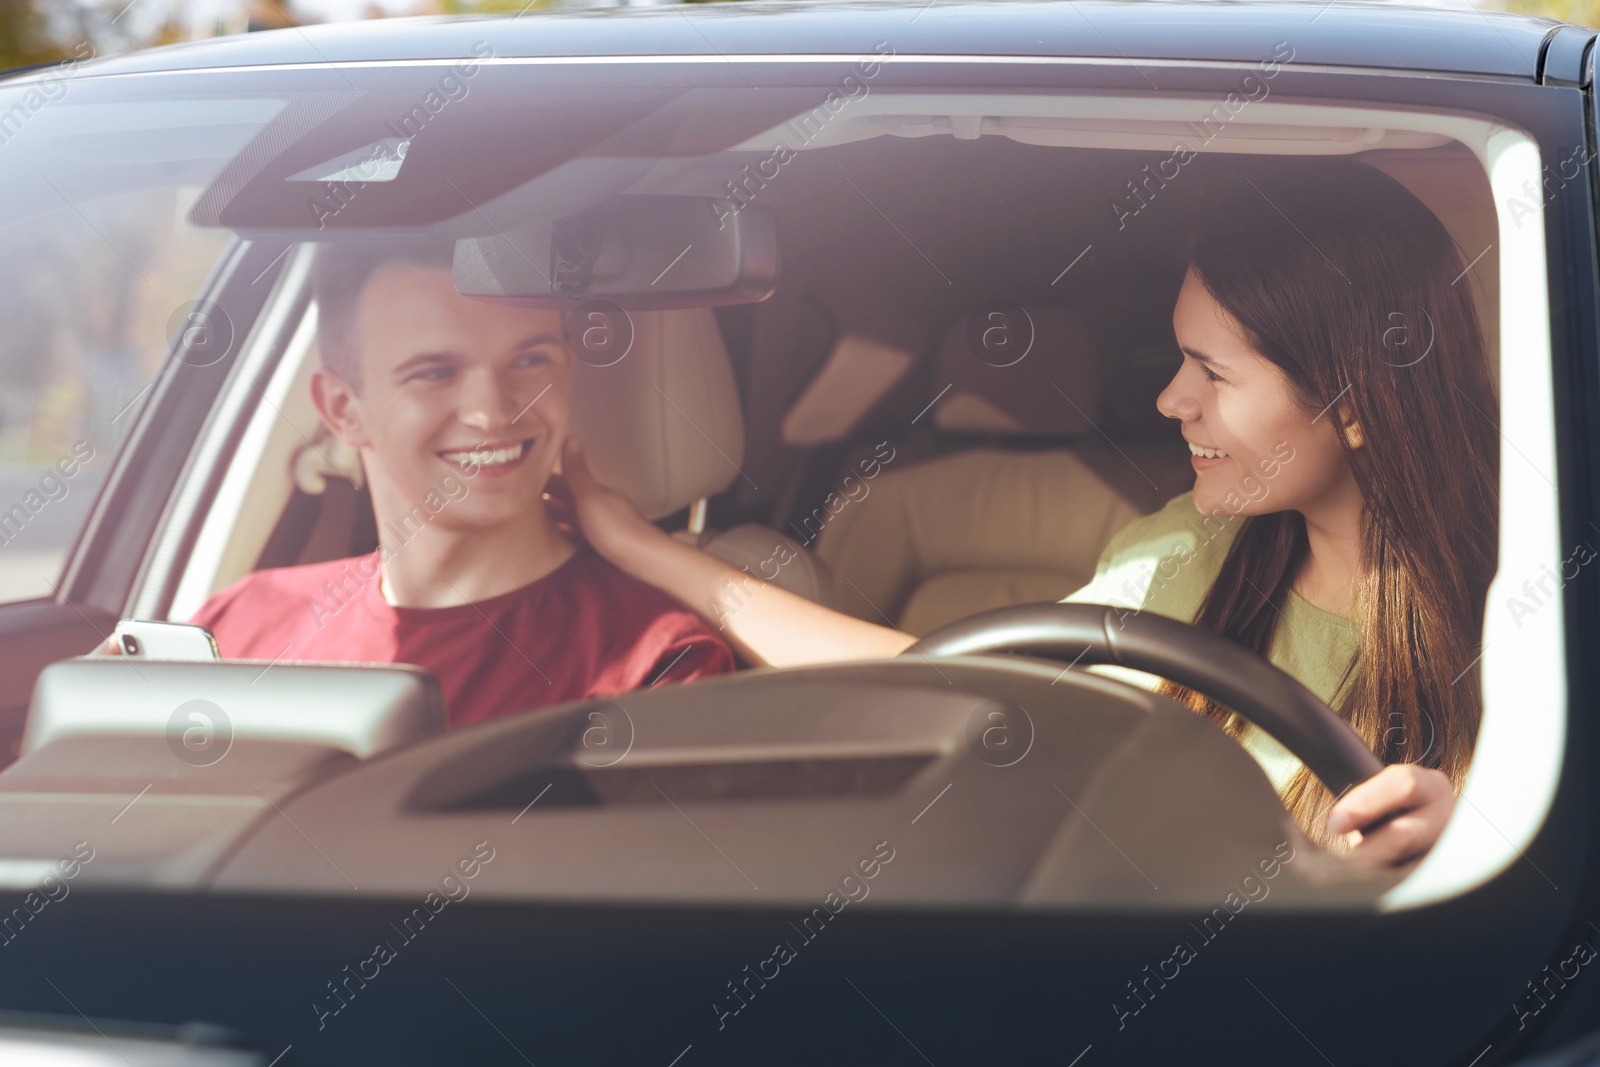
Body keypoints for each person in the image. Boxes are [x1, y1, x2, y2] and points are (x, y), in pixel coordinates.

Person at [551, 158, 1497, 868]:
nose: (1171, 401)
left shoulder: (1533, 602)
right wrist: (645, 548)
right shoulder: (1190, 556)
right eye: (1179, 360)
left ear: (1360, 401)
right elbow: (944, 686)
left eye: (1212, 372)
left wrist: (1487, 843)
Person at [177, 242, 734, 727]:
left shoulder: (654, 664)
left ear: (566, 371)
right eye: (435, 372)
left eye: (529, 360)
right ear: (344, 410)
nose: (492, 413)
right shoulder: (233, 629)